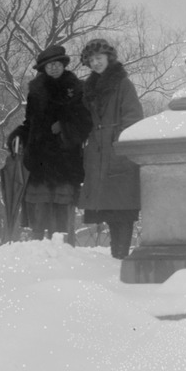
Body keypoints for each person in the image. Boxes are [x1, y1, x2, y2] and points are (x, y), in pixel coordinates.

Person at [7, 45, 93, 242]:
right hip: (39, 160)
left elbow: (86, 122)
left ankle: (63, 247)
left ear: (63, 65)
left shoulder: (77, 89)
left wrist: (64, 126)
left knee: (62, 211)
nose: (53, 68)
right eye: (49, 65)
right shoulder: (36, 92)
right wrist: (18, 135)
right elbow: (30, 123)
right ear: (43, 69)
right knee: (39, 208)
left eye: (57, 64)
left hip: (65, 159)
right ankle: (37, 248)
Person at [79, 38, 144, 259]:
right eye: (91, 60)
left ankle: (121, 258)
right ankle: (115, 259)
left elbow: (133, 118)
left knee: (122, 212)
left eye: (99, 58)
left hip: (118, 155)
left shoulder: (123, 84)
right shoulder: (90, 88)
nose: (95, 63)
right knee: (108, 210)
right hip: (98, 156)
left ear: (109, 58)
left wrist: (117, 144)